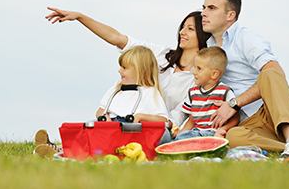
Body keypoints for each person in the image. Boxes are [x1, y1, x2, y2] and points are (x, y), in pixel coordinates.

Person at [45, 8, 210, 129]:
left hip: (158, 128)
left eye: (190, 29)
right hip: (127, 121)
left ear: (202, 35)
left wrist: (149, 120)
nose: (182, 32)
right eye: (182, 27)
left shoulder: (199, 77)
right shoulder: (162, 55)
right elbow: (117, 38)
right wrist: (80, 17)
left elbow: (177, 117)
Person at [201, 0, 289, 158]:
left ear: (230, 15)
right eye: (204, 7)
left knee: (270, 71)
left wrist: (234, 103)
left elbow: (275, 71)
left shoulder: (246, 38)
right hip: (251, 124)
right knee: (232, 137)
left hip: (273, 111)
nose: (204, 13)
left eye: (212, 8)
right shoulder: (209, 47)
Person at [34, 45, 169, 158]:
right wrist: (104, 117)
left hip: (133, 134)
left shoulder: (149, 92)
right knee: (87, 129)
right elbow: (100, 110)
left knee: (164, 134)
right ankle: (57, 148)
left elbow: (163, 120)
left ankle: (59, 150)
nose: (119, 70)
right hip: (110, 128)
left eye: (124, 68)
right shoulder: (117, 89)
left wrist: (141, 117)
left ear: (140, 70)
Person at [174, 47, 239, 140]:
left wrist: (222, 129)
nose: (194, 72)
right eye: (194, 67)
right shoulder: (192, 92)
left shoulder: (225, 91)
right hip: (195, 133)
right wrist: (181, 133)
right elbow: (192, 120)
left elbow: (235, 117)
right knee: (179, 139)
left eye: (199, 68)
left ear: (214, 74)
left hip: (213, 133)